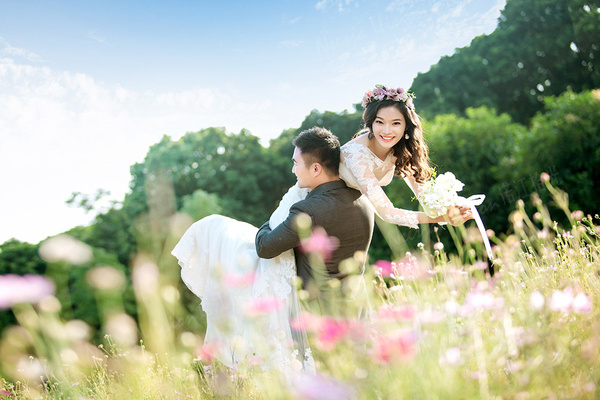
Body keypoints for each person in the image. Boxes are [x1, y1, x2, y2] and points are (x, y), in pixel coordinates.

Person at [172, 85, 472, 373]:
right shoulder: (355, 154)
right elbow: (387, 211)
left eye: (396, 123)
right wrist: (436, 220)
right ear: (370, 121)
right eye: (380, 121)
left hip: (334, 202)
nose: (387, 130)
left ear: (407, 126)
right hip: (312, 195)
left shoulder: (400, 149)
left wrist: (450, 208)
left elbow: (425, 194)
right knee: (264, 256)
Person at [255, 127, 374, 310]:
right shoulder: (364, 201)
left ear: (316, 168)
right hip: (357, 309)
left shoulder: (308, 210)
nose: (293, 170)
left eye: (296, 163)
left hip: (318, 315)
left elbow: (264, 247)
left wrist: (270, 222)